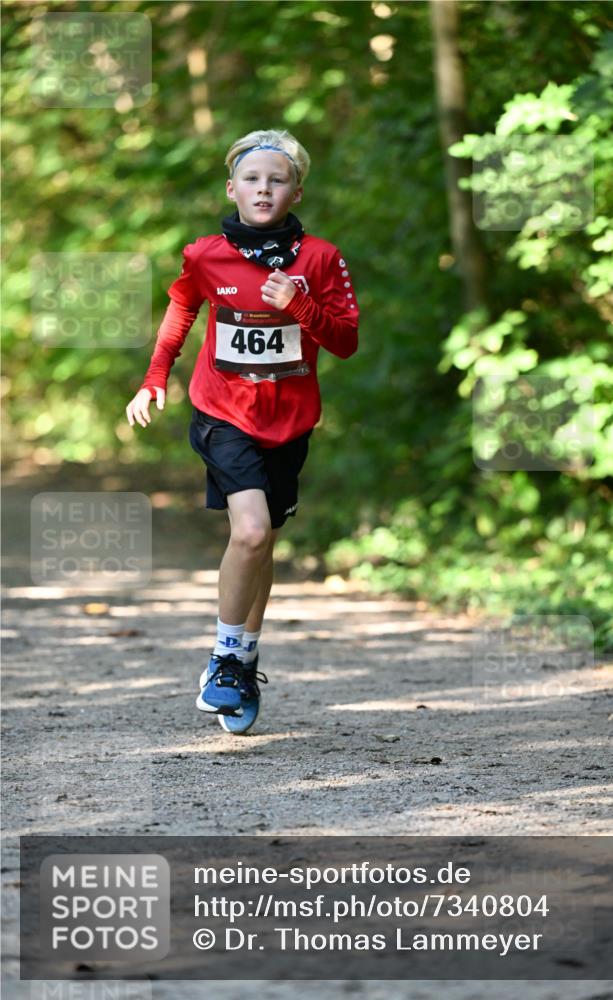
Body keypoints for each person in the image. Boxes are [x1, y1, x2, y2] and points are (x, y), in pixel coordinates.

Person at [126, 128, 359, 733]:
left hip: (290, 422)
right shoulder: (206, 254)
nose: (263, 189)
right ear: (232, 189)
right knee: (251, 531)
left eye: (277, 180)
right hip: (223, 413)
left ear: (295, 192)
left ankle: (244, 662)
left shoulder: (321, 258)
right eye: (251, 179)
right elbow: (183, 307)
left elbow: (346, 341)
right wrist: (155, 377)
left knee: (264, 541)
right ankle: (226, 659)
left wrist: (299, 306)